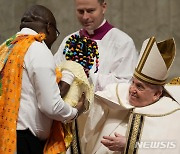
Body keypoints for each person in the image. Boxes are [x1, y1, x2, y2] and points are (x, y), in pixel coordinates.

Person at [54, 0, 138, 153]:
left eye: (90, 10)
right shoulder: (69, 41)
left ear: (104, 6)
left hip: (105, 123)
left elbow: (126, 85)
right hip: (71, 122)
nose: (85, 16)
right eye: (80, 11)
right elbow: (54, 75)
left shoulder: (122, 42)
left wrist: (88, 77)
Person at [0, 5, 85, 154]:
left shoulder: (6, 48)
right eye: (56, 33)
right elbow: (50, 106)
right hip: (23, 141)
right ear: (48, 28)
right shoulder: (37, 48)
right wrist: (75, 112)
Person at [92, 36, 180, 154]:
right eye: (132, 82)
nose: (132, 89)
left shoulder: (171, 113)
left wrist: (130, 145)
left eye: (140, 87)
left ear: (157, 94)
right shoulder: (117, 94)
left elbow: (171, 146)